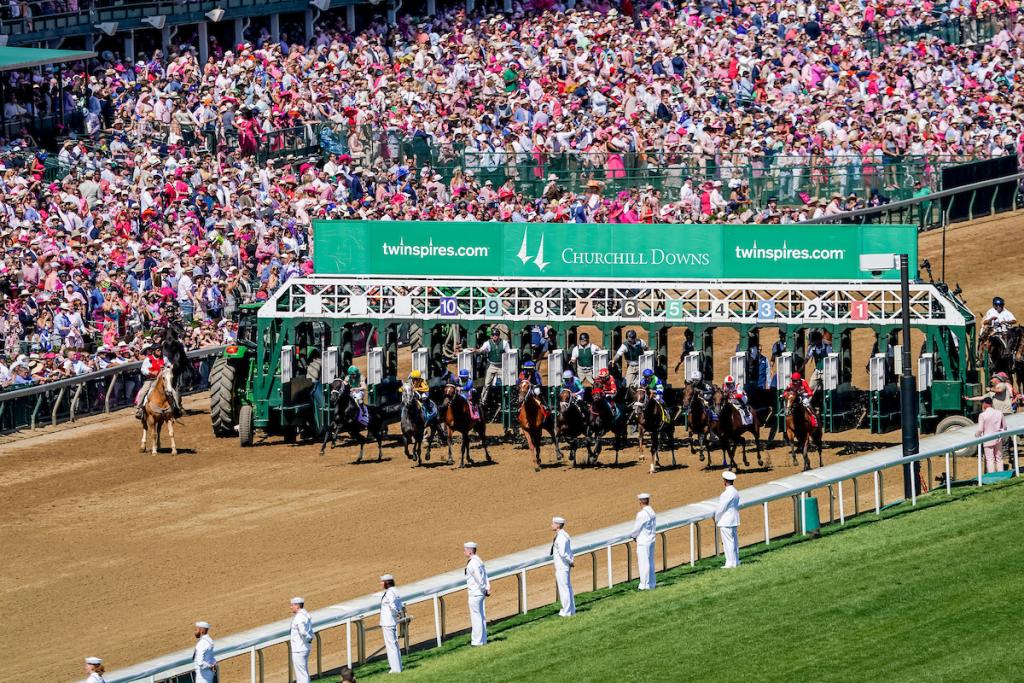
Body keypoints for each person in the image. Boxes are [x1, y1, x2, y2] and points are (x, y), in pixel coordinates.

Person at [463, 541, 490, 646]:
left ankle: (476, 642)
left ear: (470, 551)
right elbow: (485, 575)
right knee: (481, 617)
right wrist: (487, 588)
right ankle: (483, 640)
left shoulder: (472, 563)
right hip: (480, 593)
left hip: (475, 593)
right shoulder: (479, 560)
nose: (464, 552)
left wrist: (484, 588)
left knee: (476, 618)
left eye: (465, 550)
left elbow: (479, 579)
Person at [629, 493, 657, 590]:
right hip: (651, 539)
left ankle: (644, 585)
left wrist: (633, 536)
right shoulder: (652, 511)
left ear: (640, 502)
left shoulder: (641, 514)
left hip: (644, 542)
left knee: (643, 563)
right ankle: (652, 584)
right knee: (650, 562)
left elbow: (636, 528)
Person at [715, 471, 741, 568]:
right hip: (734, 520)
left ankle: (730, 563)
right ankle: (736, 561)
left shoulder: (726, 494)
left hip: (726, 521)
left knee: (728, 543)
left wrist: (716, 519)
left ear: (725, 481)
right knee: (734, 542)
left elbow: (720, 509)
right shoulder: (736, 492)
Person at [475, 328, 510, 401]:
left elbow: (509, 352)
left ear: (499, 335)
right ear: (491, 336)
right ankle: (483, 400)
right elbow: (481, 350)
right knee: (486, 384)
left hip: (501, 366)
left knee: (506, 383)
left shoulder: (504, 343)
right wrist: (475, 350)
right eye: (493, 335)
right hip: (491, 365)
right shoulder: (487, 343)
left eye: (496, 334)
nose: (495, 336)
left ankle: (506, 399)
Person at [550, 516, 575, 616]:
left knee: (564, 589)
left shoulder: (561, 537)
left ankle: (566, 612)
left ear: (558, 525)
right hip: (564, 565)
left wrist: (570, 561)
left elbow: (562, 553)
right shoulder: (564, 535)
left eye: (553, 523)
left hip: (562, 566)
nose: (551, 525)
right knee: (567, 588)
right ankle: (571, 610)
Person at [379, 574, 405, 673]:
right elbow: (399, 605)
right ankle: (398, 667)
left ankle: (395, 669)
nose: (381, 584)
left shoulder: (389, 593)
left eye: (382, 582)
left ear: (387, 582)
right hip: (391, 621)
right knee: (394, 645)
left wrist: (395, 613)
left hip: (388, 622)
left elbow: (393, 606)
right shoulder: (395, 591)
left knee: (391, 646)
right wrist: (398, 614)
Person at [975, 397, 1007, 473]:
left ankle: (992, 476)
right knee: (999, 458)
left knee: (990, 459)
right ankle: (1001, 474)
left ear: (984, 404)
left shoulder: (982, 415)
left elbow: (980, 429)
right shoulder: (999, 413)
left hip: (987, 440)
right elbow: (1005, 427)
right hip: (998, 438)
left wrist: (976, 435)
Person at [135, 343, 166, 420]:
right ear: (153, 351)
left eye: (161, 350)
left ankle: (176, 406)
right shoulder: (148, 359)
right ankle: (139, 409)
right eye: (158, 350)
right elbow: (143, 369)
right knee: (143, 392)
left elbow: (168, 365)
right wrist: (150, 372)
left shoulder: (164, 358)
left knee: (171, 389)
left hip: (162, 379)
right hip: (151, 380)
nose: (160, 352)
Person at [289, 597, 314, 683]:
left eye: (292, 605)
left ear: (297, 606)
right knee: (304, 672)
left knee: (301, 675)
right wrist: (309, 639)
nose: (291, 607)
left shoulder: (299, 617)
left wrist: (308, 638)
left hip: (299, 649)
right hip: (304, 647)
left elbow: (302, 631)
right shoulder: (306, 614)